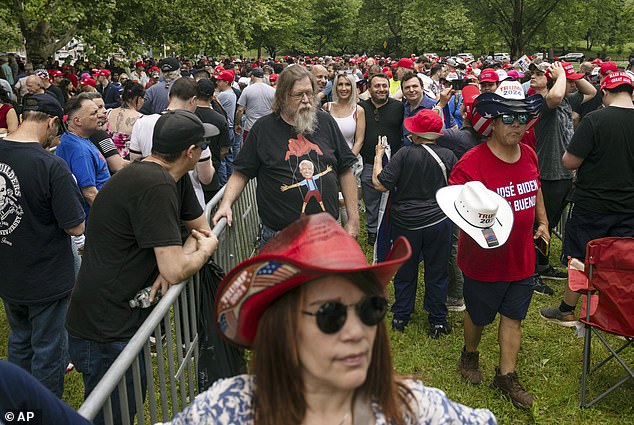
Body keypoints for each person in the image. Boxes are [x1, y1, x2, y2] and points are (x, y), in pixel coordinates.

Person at [161, 213, 497, 425]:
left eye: (370, 309)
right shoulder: (228, 411)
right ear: (283, 327)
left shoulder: (413, 410)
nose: (357, 332)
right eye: (330, 314)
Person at [65, 110, 218, 425]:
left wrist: (178, 256)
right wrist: (201, 255)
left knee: (128, 406)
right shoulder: (155, 184)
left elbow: (200, 230)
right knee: (112, 415)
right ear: (191, 152)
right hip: (104, 327)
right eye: (202, 146)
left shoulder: (172, 177)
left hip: (122, 318)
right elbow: (190, 257)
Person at [439, 87, 547, 408]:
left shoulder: (529, 154)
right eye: (509, 119)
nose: (517, 125)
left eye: (523, 119)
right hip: (484, 260)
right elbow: (455, 204)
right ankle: (470, 354)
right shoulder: (472, 161)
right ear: (494, 123)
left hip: (522, 257)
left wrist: (543, 222)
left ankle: (506, 376)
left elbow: (536, 188)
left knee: (514, 317)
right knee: (478, 315)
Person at [213, 65, 360, 247]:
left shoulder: (326, 122)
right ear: (282, 97)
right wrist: (226, 204)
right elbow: (241, 173)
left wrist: (353, 220)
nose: (306, 100)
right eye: (299, 95)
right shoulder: (263, 129)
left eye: (310, 93)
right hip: (280, 237)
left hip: (327, 233)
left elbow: (345, 170)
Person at [0, 94, 85, 397]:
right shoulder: (52, 165)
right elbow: (75, 225)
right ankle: (40, 413)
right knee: (49, 350)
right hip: (46, 277)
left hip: (9, 270)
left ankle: (16, 406)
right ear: (51, 122)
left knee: (20, 340)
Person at [540, 72, 634, 326]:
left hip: (592, 205)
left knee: (581, 257)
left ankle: (567, 309)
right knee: (622, 262)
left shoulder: (595, 120)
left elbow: (569, 161)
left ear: (605, 93)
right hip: (629, 207)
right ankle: (616, 313)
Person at [372, 110, 455, 336]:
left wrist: (378, 156)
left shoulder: (404, 154)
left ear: (416, 133)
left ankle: (401, 315)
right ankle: (437, 320)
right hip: (439, 221)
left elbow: (380, 184)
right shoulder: (448, 155)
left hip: (405, 223)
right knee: (437, 272)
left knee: (405, 270)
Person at [530, 61, 596, 289]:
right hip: (548, 173)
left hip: (564, 174)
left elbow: (592, 91)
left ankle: (542, 265)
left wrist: (571, 76)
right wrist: (560, 77)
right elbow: (554, 97)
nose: (571, 87)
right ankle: (531, 273)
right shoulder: (543, 102)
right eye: (568, 83)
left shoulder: (568, 101)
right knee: (539, 225)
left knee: (552, 221)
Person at [358, 73, 404, 245]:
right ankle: (372, 230)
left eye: (384, 85)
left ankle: (391, 229)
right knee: (371, 199)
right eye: (377, 86)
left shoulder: (398, 107)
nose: (381, 89)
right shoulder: (361, 108)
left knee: (394, 198)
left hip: (393, 163)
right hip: (369, 161)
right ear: (369, 89)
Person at [56, 96, 110, 220]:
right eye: (94, 113)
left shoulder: (74, 139)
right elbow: (89, 193)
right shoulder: (79, 150)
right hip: (93, 221)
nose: (100, 115)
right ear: (77, 121)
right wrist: (111, 218)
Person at [106, 80, 146, 158]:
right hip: (128, 164)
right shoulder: (142, 120)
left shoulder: (108, 113)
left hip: (108, 160)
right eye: (143, 98)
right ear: (137, 99)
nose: (143, 101)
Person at [234, 67, 275, 141]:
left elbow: (240, 110)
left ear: (252, 76)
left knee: (249, 151)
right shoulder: (272, 90)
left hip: (250, 127)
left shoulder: (247, 90)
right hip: (267, 128)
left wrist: (237, 124)